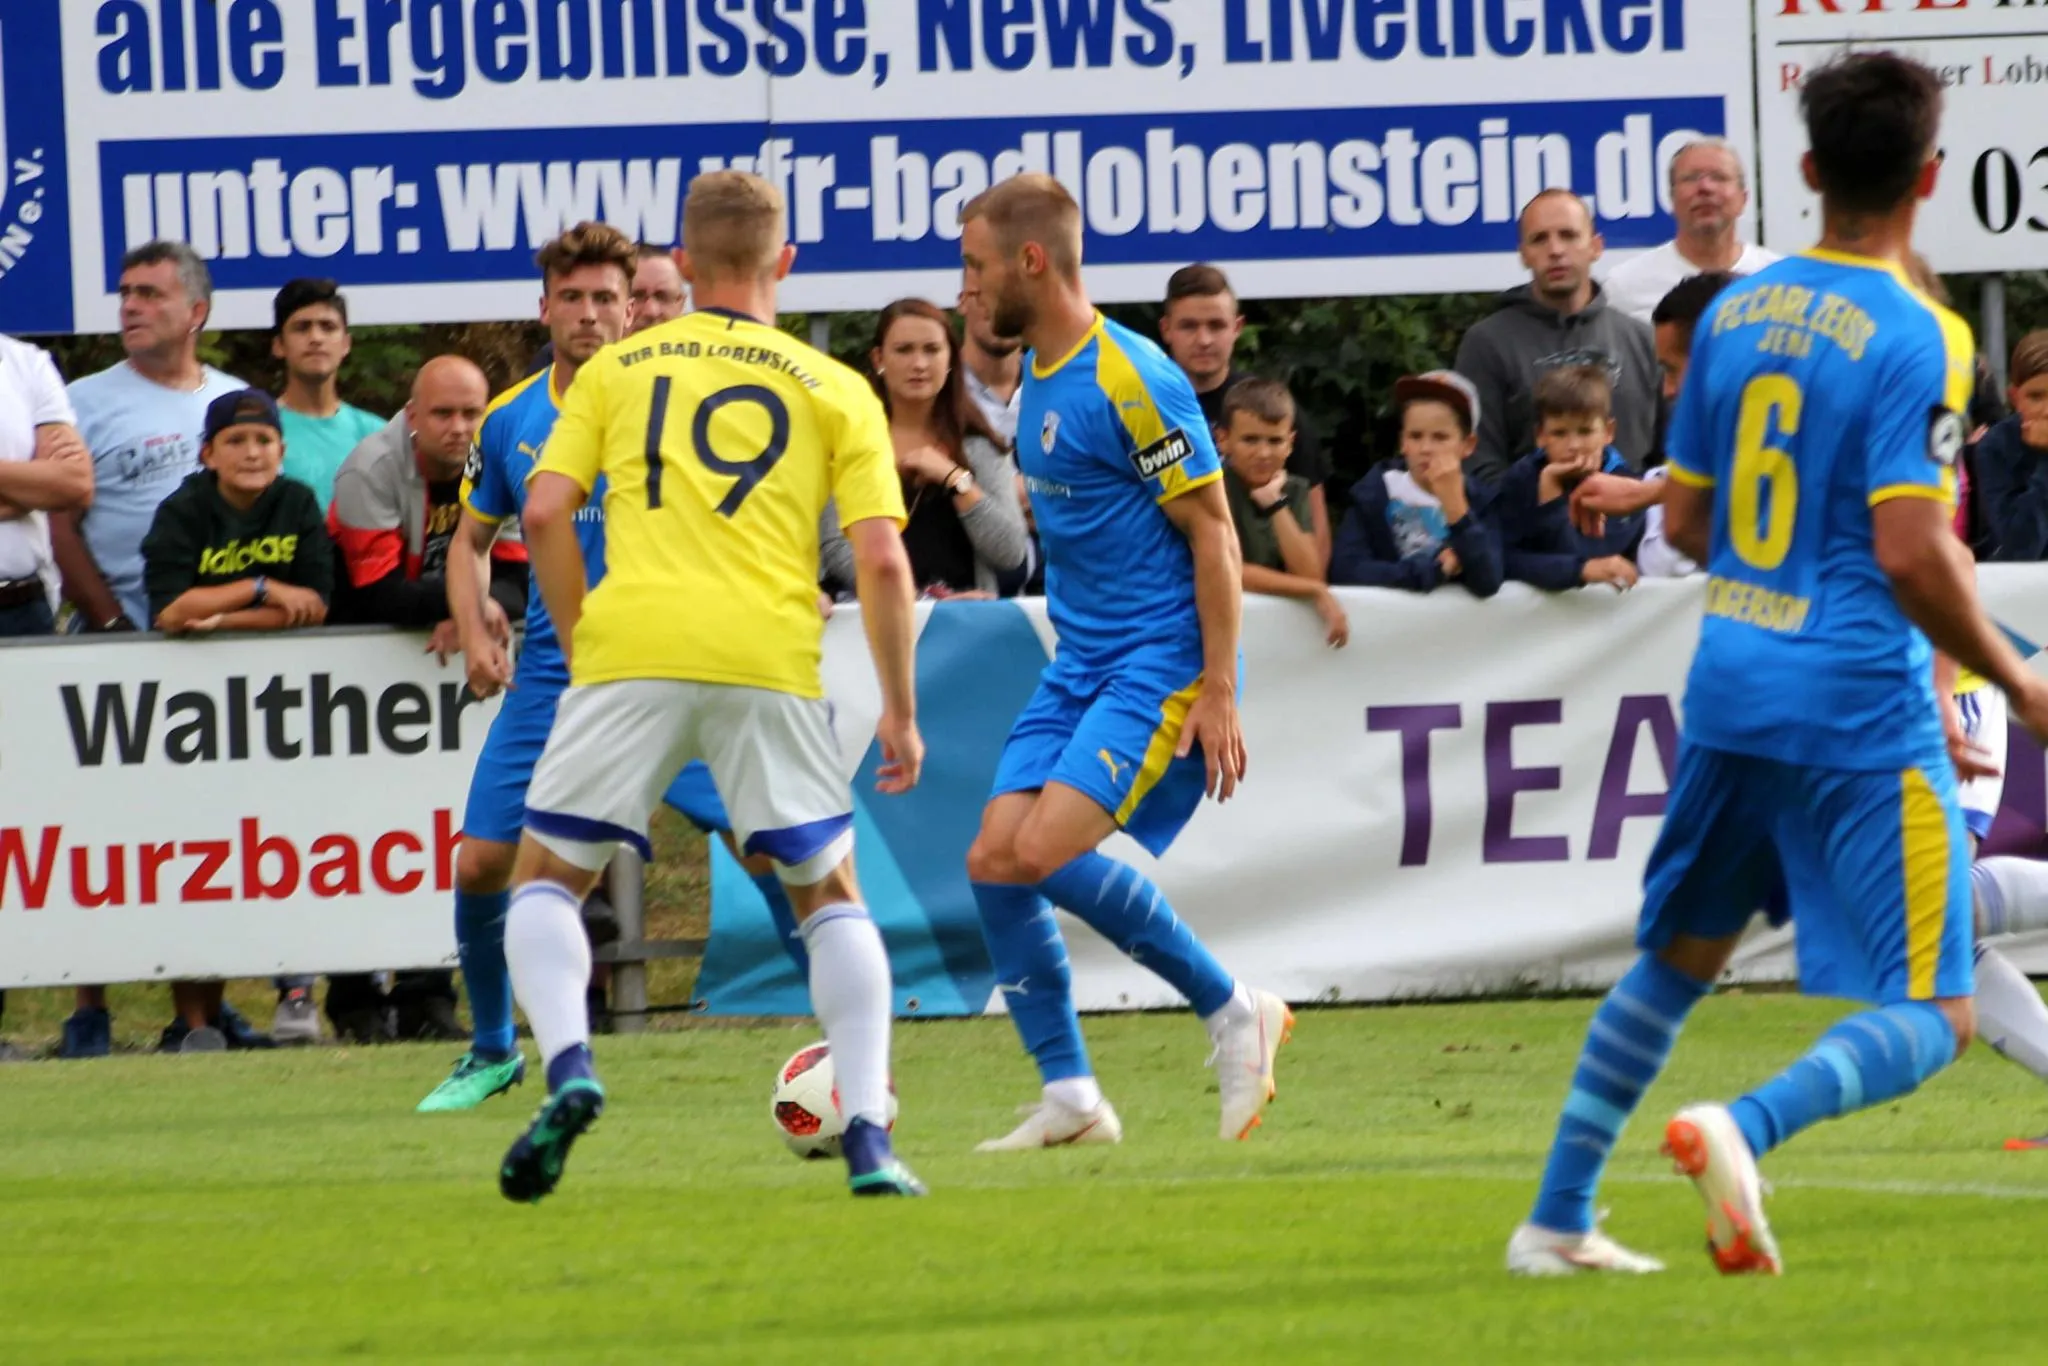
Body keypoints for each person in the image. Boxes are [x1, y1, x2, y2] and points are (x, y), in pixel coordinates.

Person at [1506, 51, 2048, 1278]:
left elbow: (1692, 526)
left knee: (1674, 964)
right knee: (1935, 1011)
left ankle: (1555, 1219)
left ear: (1803, 171)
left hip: (1732, 688)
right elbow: (1912, 550)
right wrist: (2013, 684)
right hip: (1855, 706)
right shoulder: (1921, 332)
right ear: (1928, 177)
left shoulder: (1732, 316)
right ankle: (1741, 1128)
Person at [494, 169, 927, 1201]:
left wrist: (580, 639)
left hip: (631, 648)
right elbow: (880, 559)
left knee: (545, 879)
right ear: (786, 262)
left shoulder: (618, 366)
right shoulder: (836, 387)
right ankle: (868, 1135)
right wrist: (901, 711)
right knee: (829, 896)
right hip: (766, 655)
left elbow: (543, 511)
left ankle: (570, 1066)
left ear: (682, 265)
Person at [957, 174, 1292, 1151]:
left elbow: (1214, 533)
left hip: (1160, 660)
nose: (965, 288)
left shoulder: (1132, 375)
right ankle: (1071, 1095)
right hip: (1081, 664)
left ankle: (1234, 1009)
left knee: (1042, 850)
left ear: (1030, 262)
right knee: (992, 860)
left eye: (976, 267)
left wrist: (1218, 687)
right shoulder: (1038, 372)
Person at [421, 220, 737, 1111]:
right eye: (573, 298)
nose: (590, 314)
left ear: (632, 308)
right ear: (545, 309)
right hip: (559, 680)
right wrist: (474, 620)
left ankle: (853, 1054)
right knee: (481, 864)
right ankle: (493, 1050)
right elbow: (469, 542)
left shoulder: (679, 401)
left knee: (777, 852)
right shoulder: (512, 419)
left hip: (673, 667)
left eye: (606, 298)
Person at [326, 355, 515, 1043]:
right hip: (349, 674)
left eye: (471, 413)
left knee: (439, 832)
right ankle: (351, 995)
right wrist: (466, 607)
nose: (459, 427)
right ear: (411, 416)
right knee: (350, 836)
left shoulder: (502, 457)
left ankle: (428, 995)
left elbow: (517, 580)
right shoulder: (368, 469)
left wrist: (466, 612)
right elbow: (376, 593)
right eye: (442, 413)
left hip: (436, 672)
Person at [57, 241, 245, 638]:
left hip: (234, 630)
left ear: (196, 312)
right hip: (126, 635)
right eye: (125, 294)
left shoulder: (239, 400)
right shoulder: (79, 403)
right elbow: (57, 526)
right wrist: (110, 620)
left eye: (149, 294)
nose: (129, 306)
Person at [0, 332, 93, 1059]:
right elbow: (45, 481)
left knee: (22, 822)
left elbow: (72, 486)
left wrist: (38, 482)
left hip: (21, 612)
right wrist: (22, 479)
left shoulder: (24, 364)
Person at [819, 299, 1026, 597]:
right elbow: (835, 548)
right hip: (871, 618)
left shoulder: (978, 444)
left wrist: (956, 479)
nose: (919, 364)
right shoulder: (849, 440)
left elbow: (1011, 552)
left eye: (931, 350)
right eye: (904, 350)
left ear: (950, 358)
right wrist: (920, 604)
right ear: (878, 358)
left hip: (966, 621)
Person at [1453, 192, 1660, 485]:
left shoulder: (1642, 340)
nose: (1555, 250)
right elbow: (1477, 468)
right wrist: (1544, 499)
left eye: (1569, 235)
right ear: (1523, 254)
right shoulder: (1486, 344)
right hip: (1527, 514)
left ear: (1596, 246)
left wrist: (1632, 501)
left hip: (1635, 512)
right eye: (1539, 239)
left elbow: (1674, 461)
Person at [1158, 265, 1333, 565]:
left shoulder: (1272, 407)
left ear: (1237, 328)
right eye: (1189, 326)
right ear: (1166, 329)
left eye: (1216, 325)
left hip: (1265, 586)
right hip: (1165, 579)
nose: (1204, 339)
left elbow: (1318, 544)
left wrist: (1310, 585)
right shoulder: (1141, 407)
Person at [143, 389, 332, 635]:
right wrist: (260, 588)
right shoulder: (180, 511)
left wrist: (224, 621)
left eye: (264, 441)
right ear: (208, 455)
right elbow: (170, 614)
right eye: (235, 441)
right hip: (190, 654)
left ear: (281, 453)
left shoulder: (298, 501)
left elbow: (315, 608)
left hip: (286, 651)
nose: (252, 454)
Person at [1328, 371, 1503, 597]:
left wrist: (1456, 508)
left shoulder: (1483, 500)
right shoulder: (1374, 492)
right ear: (1402, 441)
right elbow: (1345, 571)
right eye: (1415, 436)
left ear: (1468, 445)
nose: (1425, 449)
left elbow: (1489, 581)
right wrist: (1433, 571)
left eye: (1440, 437)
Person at [1488, 364, 1643, 593]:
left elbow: (1590, 561)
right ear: (1540, 436)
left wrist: (1578, 568)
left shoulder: (1624, 485)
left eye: (1585, 431)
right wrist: (1550, 491)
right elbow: (1500, 559)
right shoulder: (1521, 478)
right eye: (1559, 433)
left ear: (1608, 432)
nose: (1574, 446)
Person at [1216, 377, 1347, 646]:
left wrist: (1276, 505)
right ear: (1223, 439)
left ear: (1290, 443)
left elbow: (1310, 574)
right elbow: (1224, 569)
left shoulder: (1295, 490)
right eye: (1250, 440)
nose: (1264, 453)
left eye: (1275, 441)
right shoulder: (1213, 489)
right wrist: (1313, 591)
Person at [1600, 139, 1780, 325]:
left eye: (1719, 177)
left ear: (1743, 198)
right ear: (1671, 199)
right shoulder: (1624, 287)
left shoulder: (1781, 280)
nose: (1705, 188)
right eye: (1691, 178)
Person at [271, 278, 385, 513]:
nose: (316, 338)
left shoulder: (376, 435)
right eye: (302, 327)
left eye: (328, 327)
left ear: (346, 344)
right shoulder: (259, 432)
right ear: (279, 345)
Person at [1974, 330, 2048, 561]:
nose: (2047, 411)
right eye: (2035, 397)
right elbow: (2021, 548)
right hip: (2021, 577)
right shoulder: (1995, 447)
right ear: (2015, 398)